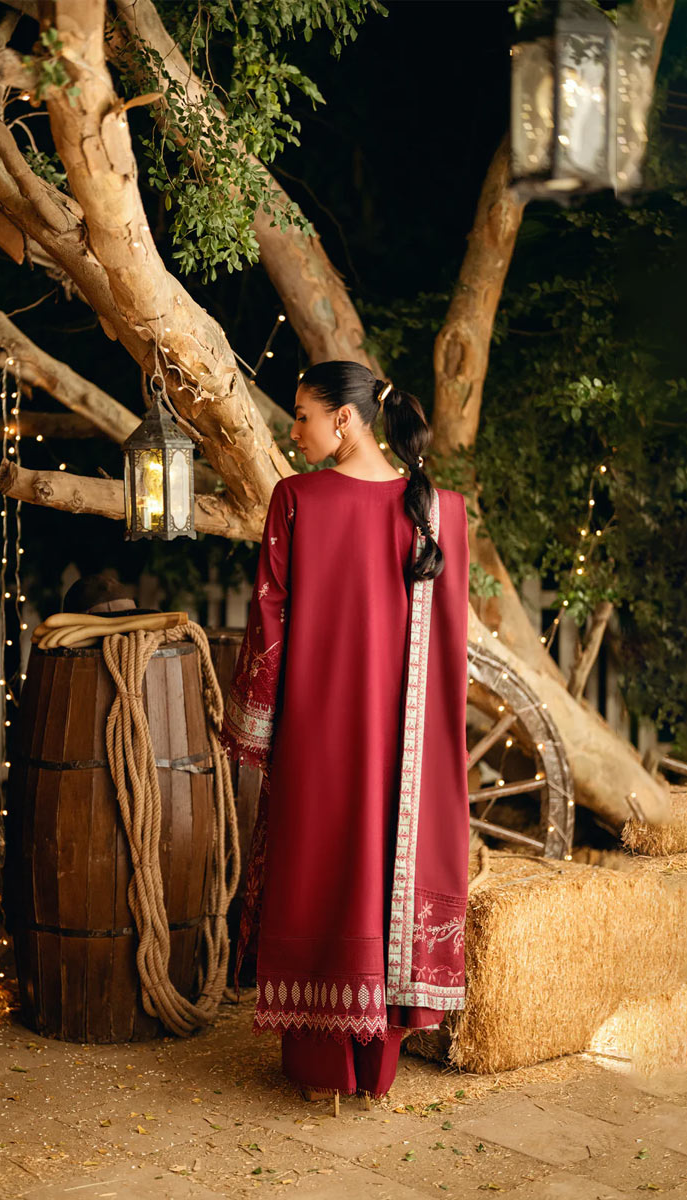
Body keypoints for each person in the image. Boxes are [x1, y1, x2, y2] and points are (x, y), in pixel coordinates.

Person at [219, 361, 470, 1104]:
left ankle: (320, 1070)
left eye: (303, 415)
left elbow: (269, 619)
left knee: (321, 867)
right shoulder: (440, 513)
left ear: (344, 419)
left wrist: (254, 727)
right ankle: (374, 1071)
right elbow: (451, 653)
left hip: (319, 737)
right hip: (408, 749)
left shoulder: (297, 500)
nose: (292, 430)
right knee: (384, 870)